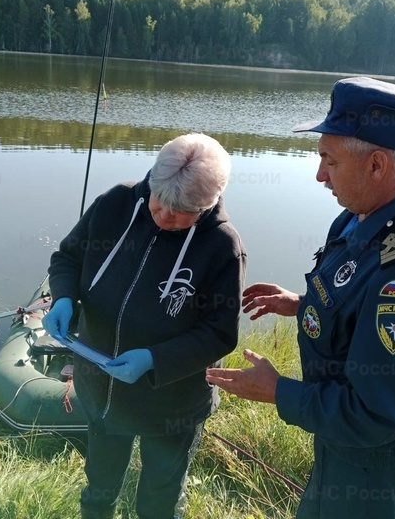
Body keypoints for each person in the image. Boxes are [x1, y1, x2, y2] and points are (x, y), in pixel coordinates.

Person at [206, 77, 395, 519]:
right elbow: (357, 303)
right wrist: (303, 303)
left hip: (373, 462)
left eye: (329, 161)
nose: (320, 175)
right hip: (343, 442)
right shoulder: (364, 215)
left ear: (377, 165)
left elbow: (379, 414)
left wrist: (278, 391)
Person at [42, 133, 246, 519]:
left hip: (172, 404)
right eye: (160, 202)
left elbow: (220, 333)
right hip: (100, 388)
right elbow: (67, 257)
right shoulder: (115, 204)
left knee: (159, 498)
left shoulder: (222, 246)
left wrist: (155, 359)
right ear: (151, 179)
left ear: (207, 204)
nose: (165, 217)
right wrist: (64, 296)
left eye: (181, 211)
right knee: (99, 486)